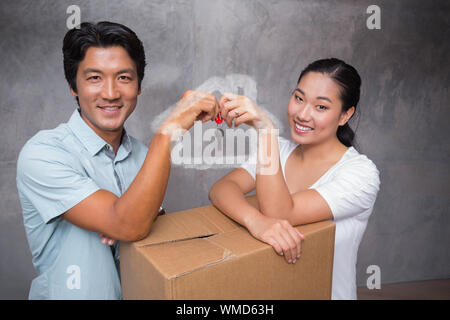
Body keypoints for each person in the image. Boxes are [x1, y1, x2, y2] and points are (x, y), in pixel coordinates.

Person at [16, 21, 219, 299]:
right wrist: (168, 131)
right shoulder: (43, 153)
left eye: (124, 77)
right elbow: (130, 226)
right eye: (94, 78)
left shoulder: (145, 156)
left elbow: (148, 239)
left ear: (139, 87)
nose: (110, 93)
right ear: (73, 86)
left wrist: (129, 221)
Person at [209, 58, 380, 300]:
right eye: (299, 98)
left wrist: (265, 131)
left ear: (345, 115)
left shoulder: (360, 174)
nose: (302, 114)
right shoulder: (278, 150)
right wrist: (255, 221)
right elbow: (222, 189)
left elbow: (280, 213)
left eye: (321, 107)